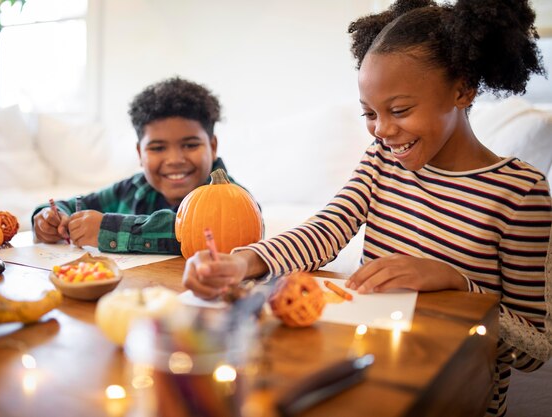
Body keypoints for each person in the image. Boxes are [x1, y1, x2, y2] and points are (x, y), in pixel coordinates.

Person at [182, 1, 551, 415]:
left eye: (399, 110)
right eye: (369, 113)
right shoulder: (382, 161)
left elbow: (535, 350)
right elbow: (325, 230)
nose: (383, 130)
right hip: (371, 373)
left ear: (462, 90)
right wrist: (242, 263)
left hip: (457, 397)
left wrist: (454, 281)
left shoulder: (519, 193)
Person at [33, 77, 246, 254]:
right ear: (139, 154)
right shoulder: (133, 188)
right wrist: (49, 218)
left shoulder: (237, 199)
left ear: (213, 146)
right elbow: (70, 206)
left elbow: (202, 232)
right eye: (158, 148)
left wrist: (107, 229)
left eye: (190, 145)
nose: (174, 160)